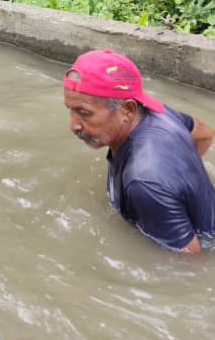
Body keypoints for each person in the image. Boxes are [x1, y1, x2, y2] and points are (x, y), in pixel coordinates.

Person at [63, 48, 215, 253]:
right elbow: (205, 134)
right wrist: (178, 177)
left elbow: (191, 261)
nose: (73, 126)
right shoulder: (159, 113)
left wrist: (159, 191)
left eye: (84, 113)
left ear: (127, 110)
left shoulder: (143, 183)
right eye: (70, 110)